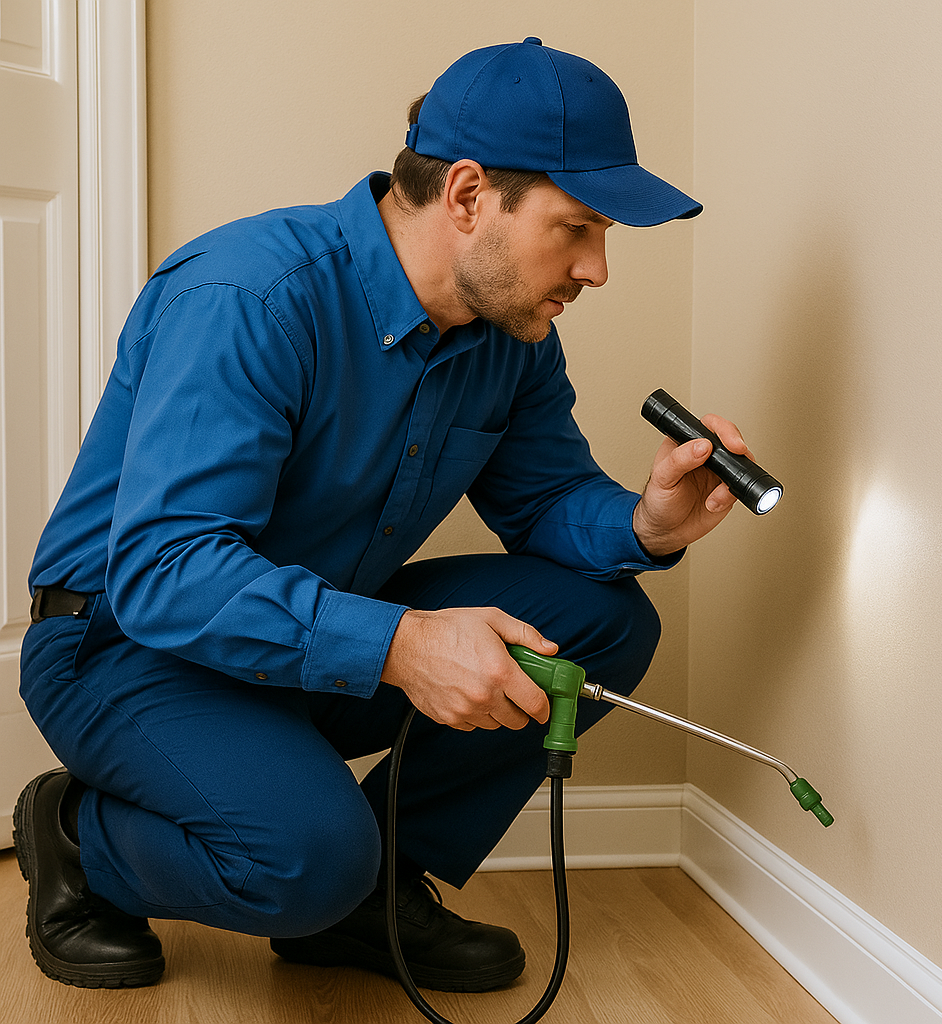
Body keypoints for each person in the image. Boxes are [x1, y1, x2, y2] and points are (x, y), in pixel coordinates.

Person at [15, 37, 750, 994]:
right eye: (576, 227)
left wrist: (648, 525)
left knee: (597, 622)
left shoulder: (510, 336)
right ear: (469, 195)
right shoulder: (249, 295)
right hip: (126, 649)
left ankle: (375, 893)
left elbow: (544, 505)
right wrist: (404, 646)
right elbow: (166, 570)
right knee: (309, 858)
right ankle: (79, 838)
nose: (598, 269)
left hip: (312, 636)